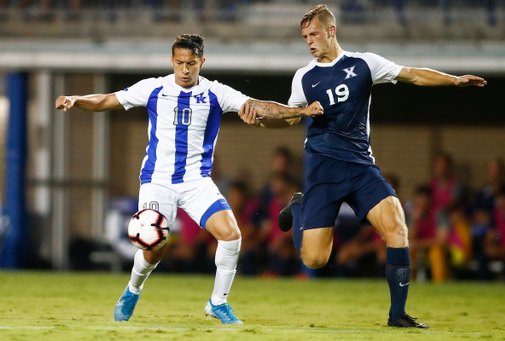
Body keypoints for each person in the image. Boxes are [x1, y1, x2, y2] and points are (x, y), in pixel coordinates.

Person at [238, 4, 486, 328]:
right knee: (315, 259)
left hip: (360, 168)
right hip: (323, 172)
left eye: (314, 34)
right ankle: (299, 207)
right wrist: (261, 124)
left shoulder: (365, 64)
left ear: (331, 31)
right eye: (304, 37)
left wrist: (453, 81)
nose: (309, 42)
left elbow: (412, 74)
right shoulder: (304, 78)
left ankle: (398, 316)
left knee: (398, 227)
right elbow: (286, 119)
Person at [55, 34, 323, 324]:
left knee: (232, 235)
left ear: (202, 62)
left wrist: (301, 111)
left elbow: (259, 106)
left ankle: (218, 303)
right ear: (172, 61)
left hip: (196, 182)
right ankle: (132, 289)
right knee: (154, 247)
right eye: (180, 63)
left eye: (191, 64)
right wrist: (76, 99)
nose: (185, 69)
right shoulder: (154, 88)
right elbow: (107, 100)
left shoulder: (215, 93)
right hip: (157, 180)